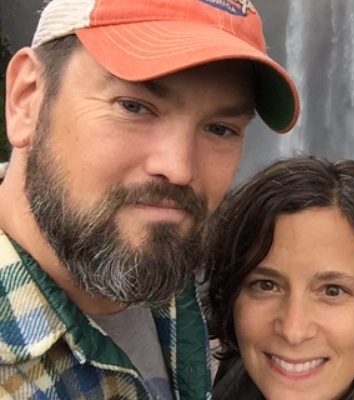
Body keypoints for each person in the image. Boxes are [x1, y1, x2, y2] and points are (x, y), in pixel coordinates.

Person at [0, 0, 299, 399]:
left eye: (220, 129)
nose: (179, 168)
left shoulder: (163, 271)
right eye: (134, 106)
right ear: (26, 99)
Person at [204, 156, 354, 400]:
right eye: (266, 285)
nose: (293, 331)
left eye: (332, 290)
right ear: (231, 295)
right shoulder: (240, 372)